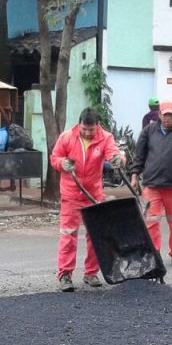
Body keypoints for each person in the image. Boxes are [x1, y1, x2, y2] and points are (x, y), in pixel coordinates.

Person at [49, 108, 125, 292]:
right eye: (84, 129)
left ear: (97, 126)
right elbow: (55, 158)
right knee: (68, 235)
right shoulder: (67, 137)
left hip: (93, 195)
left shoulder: (105, 138)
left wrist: (118, 159)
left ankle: (91, 273)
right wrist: (62, 163)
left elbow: (114, 153)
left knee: (95, 236)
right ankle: (65, 274)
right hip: (71, 194)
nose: (88, 133)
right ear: (79, 124)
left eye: (91, 130)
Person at [131, 100, 172, 267]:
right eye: (165, 115)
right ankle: (154, 256)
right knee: (151, 222)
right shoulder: (149, 130)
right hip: (151, 184)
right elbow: (139, 155)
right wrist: (134, 175)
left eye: (170, 115)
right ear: (159, 115)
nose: (167, 118)